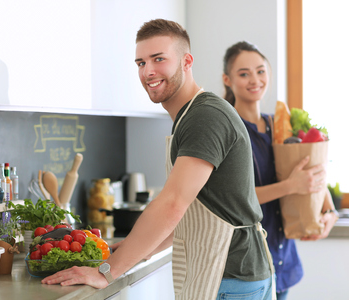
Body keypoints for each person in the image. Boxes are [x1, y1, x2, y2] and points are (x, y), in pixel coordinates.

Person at [42, 19, 275, 299]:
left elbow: (172, 205)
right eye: (141, 63)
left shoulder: (205, 117)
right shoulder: (191, 115)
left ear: (186, 61)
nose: (148, 71)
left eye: (159, 59)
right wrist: (136, 250)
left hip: (230, 276)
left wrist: (107, 271)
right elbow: (193, 213)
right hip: (234, 274)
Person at [221, 41, 339, 300]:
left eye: (261, 71)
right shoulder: (228, 131)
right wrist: (291, 186)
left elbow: (312, 172)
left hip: (284, 259)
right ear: (227, 80)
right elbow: (236, 198)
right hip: (247, 268)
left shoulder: (282, 126)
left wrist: (329, 212)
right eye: (244, 73)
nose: (255, 79)